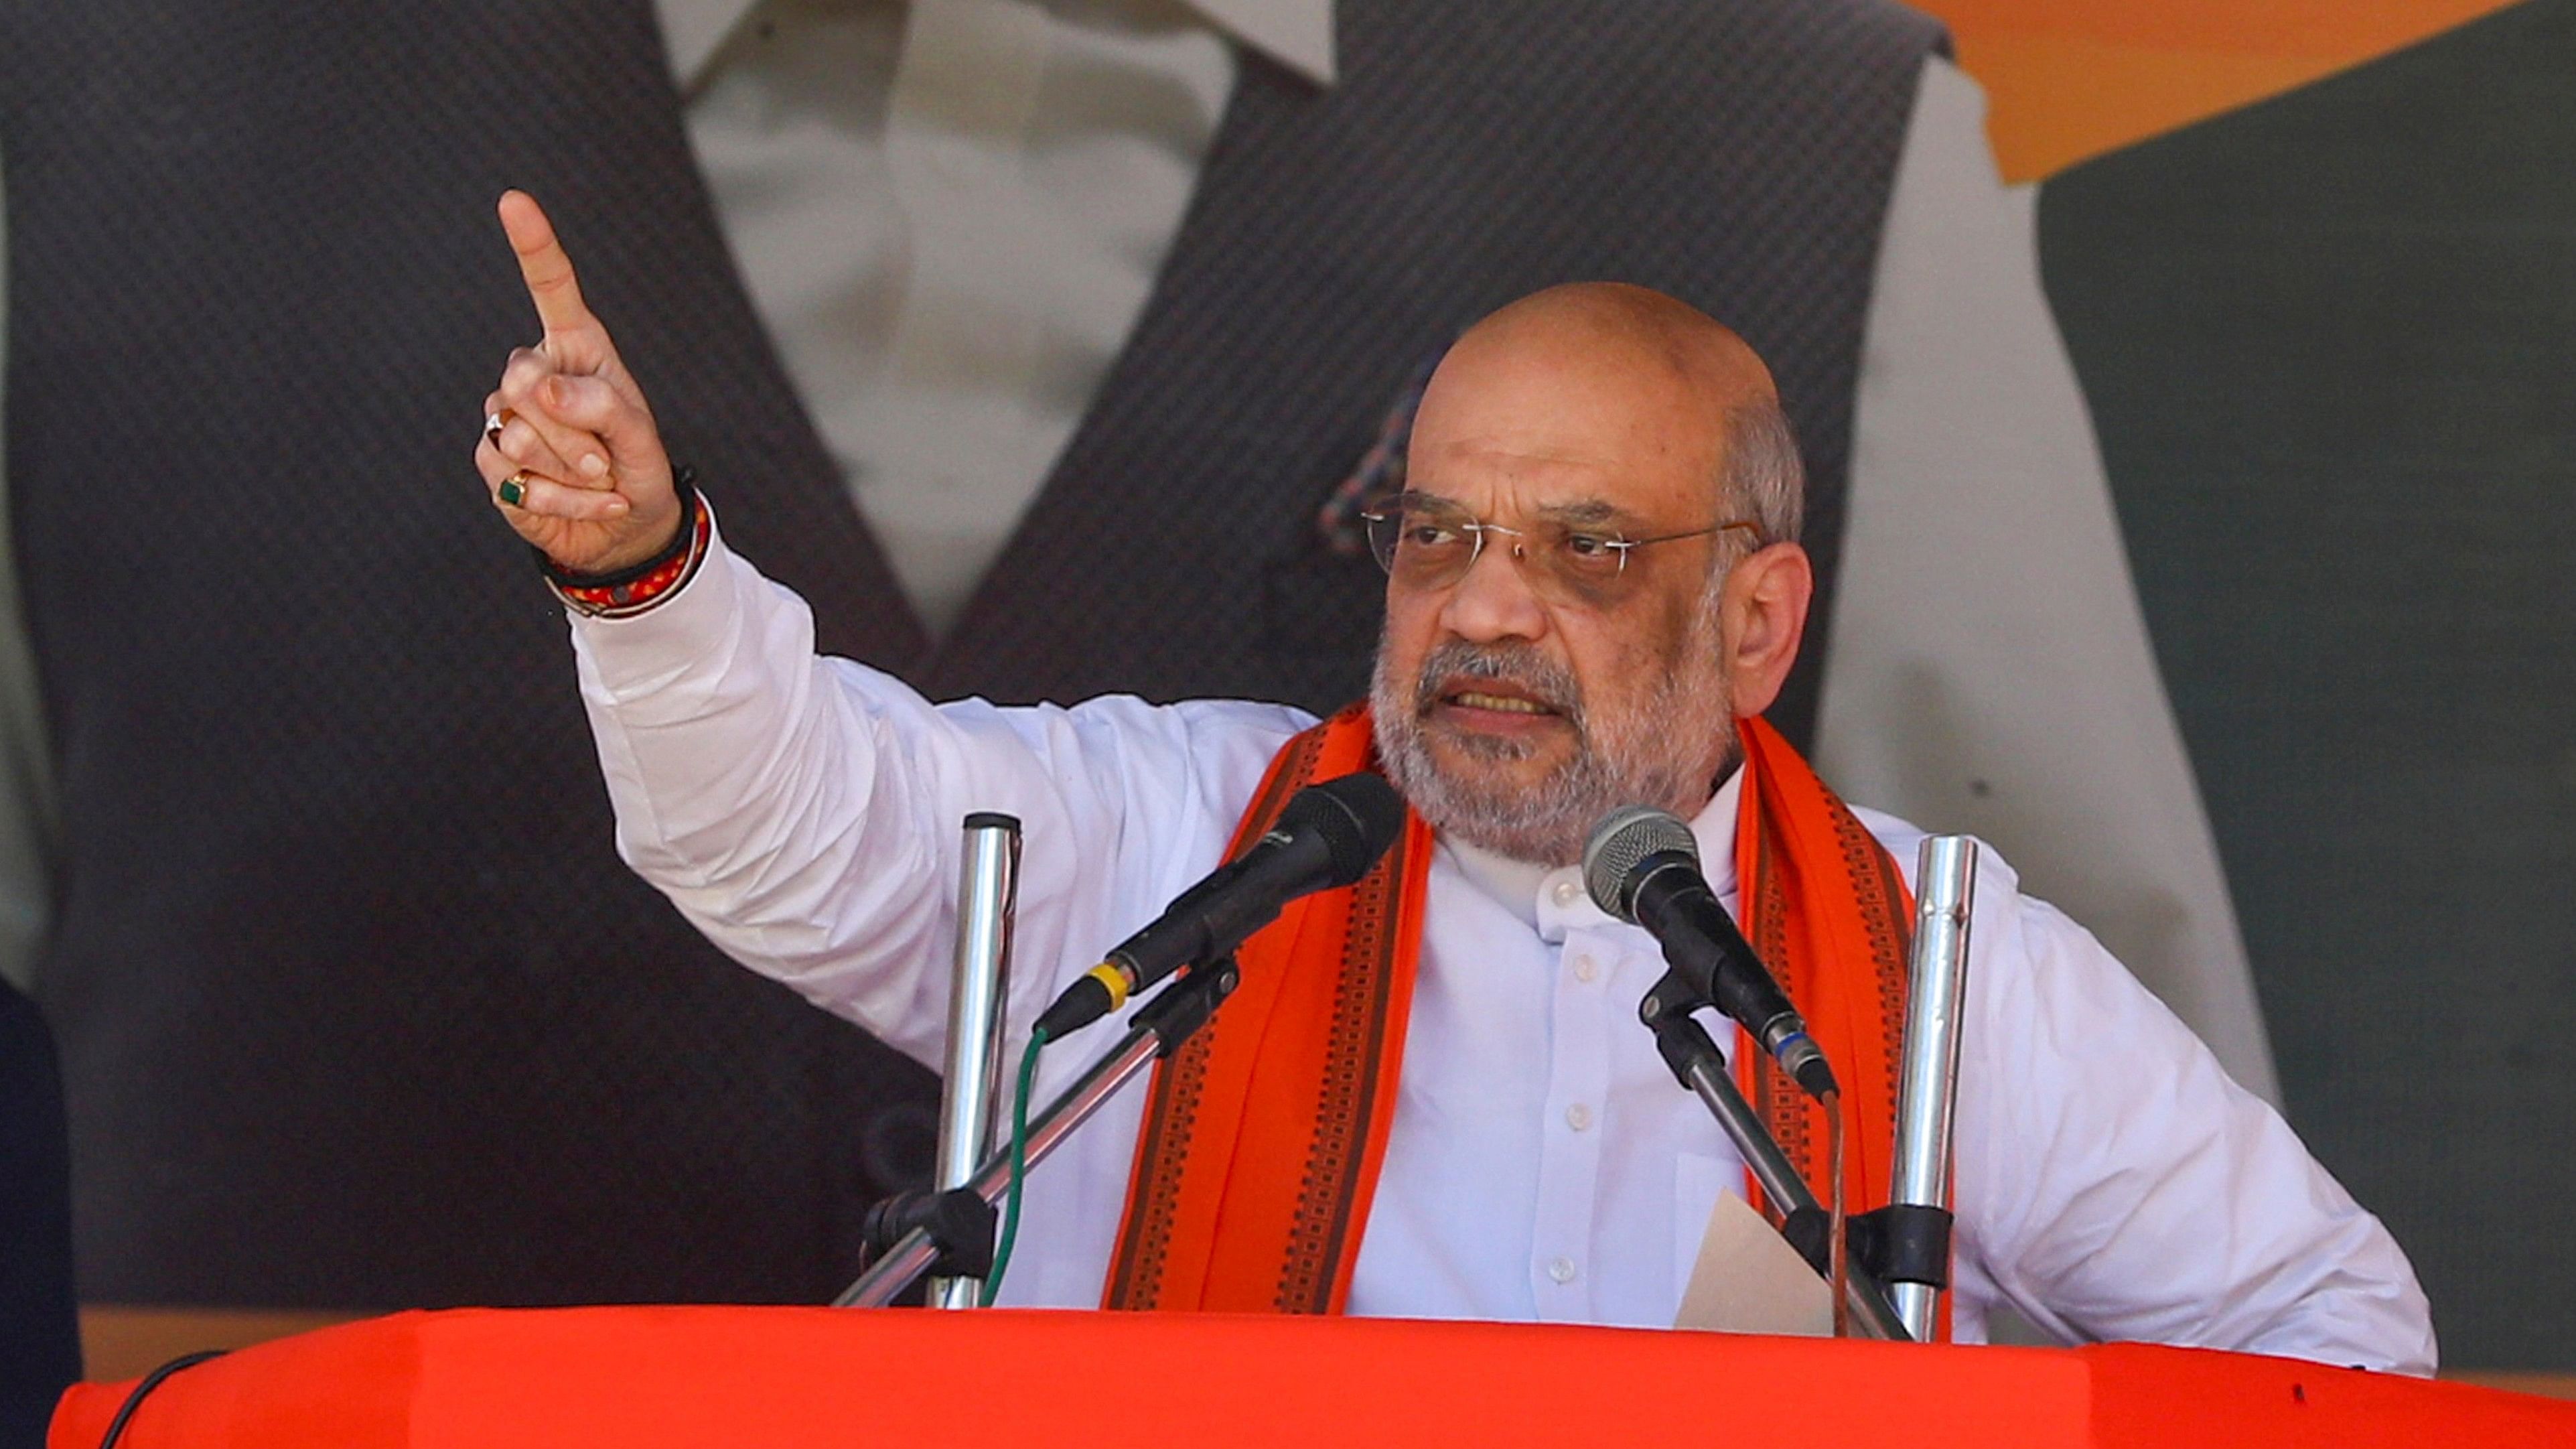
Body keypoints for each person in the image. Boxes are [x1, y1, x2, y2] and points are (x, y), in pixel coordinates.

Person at [478, 195, 2434, 1367]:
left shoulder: (1939, 973)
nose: (1484, 610)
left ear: (1759, 623)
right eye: (1436, 536)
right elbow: (792, 829)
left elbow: (2336, 1348)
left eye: (1588, 549)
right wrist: (637, 570)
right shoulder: (1185, 844)